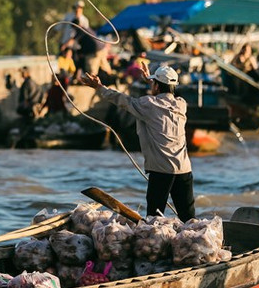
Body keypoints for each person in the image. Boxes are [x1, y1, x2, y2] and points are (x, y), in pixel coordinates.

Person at [81, 65, 196, 220]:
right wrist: (152, 81)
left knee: (154, 218)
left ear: (156, 85)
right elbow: (163, 94)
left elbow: (121, 99)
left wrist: (99, 87)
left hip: (161, 171)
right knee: (189, 218)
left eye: (153, 83)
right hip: (184, 169)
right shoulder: (181, 105)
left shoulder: (148, 104)